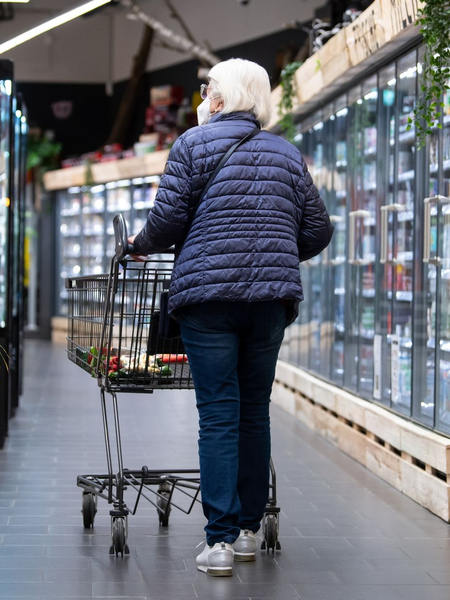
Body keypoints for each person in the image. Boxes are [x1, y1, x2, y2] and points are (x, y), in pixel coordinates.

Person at [128, 58, 332, 577]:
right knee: (254, 411)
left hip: (209, 302)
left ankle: (217, 542)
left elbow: (168, 219)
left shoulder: (192, 145)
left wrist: (139, 246)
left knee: (218, 412)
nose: (204, 96)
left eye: (208, 89)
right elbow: (319, 228)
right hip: (269, 303)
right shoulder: (286, 153)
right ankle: (246, 530)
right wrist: (277, 256)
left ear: (221, 99)